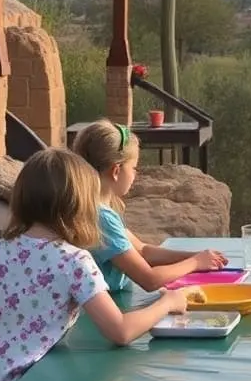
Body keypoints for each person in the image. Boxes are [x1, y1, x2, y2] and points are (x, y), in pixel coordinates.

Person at [0, 148, 189, 381]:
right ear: (79, 204)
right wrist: (168, 302)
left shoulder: (1, 248)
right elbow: (121, 332)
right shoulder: (73, 260)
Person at [72, 119, 227, 293]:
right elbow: (149, 279)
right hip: (104, 311)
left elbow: (143, 251)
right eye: (134, 168)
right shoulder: (101, 218)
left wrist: (198, 257)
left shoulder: (96, 208)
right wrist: (195, 263)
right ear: (116, 171)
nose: (135, 174)